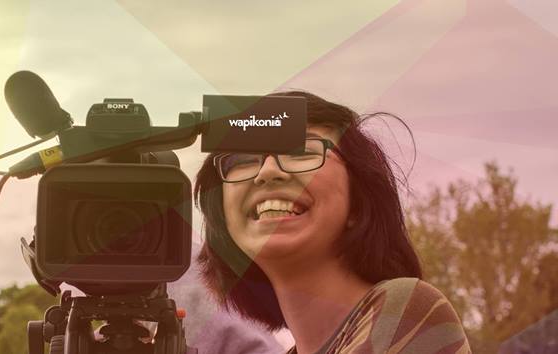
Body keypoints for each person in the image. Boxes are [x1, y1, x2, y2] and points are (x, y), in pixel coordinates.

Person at [192, 91, 470, 353]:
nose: (267, 171)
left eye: (302, 152)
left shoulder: (406, 310)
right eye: (242, 159)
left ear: (359, 203)